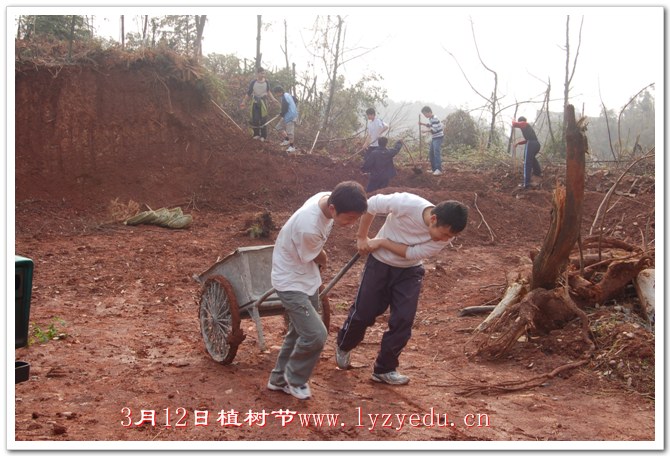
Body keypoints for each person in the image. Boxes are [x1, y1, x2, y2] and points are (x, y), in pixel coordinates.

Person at [335, 193, 468, 385]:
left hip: (409, 270)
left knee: (403, 320)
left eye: (451, 236)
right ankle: (344, 346)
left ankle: (385, 369)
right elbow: (371, 204)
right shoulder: (408, 204)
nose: (446, 239)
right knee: (364, 313)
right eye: (445, 234)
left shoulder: (446, 237)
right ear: (433, 219)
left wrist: (381, 242)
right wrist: (362, 237)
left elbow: (412, 253)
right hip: (379, 264)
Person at [267, 181, 368, 400]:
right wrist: (325, 258)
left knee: (298, 331)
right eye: (349, 218)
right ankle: (295, 379)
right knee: (316, 335)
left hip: (306, 276)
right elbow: (317, 256)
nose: (352, 224)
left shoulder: (326, 197)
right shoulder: (308, 227)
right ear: (333, 209)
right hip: (290, 281)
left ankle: (277, 380)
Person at [240, 68, 277, 141]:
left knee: (263, 119)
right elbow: (249, 93)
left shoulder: (266, 82)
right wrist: (243, 102)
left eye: (264, 73)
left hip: (263, 102)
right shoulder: (253, 82)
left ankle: (263, 136)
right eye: (261, 73)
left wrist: (273, 99)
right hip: (255, 102)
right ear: (257, 74)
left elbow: (268, 91)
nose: (263, 75)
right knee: (255, 119)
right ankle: (256, 134)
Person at [511, 116, 542, 189]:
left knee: (527, 162)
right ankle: (538, 172)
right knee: (531, 159)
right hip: (536, 144)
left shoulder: (524, 123)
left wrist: (513, 119)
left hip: (532, 144)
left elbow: (514, 124)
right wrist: (518, 143)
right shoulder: (526, 129)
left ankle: (526, 183)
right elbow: (527, 140)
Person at [419, 106, 445, 176]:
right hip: (434, 138)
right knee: (431, 154)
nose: (425, 115)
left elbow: (434, 129)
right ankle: (434, 169)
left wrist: (425, 131)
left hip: (438, 137)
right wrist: (422, 124)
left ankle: (438, 169)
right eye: (424, 114)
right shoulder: (431, 118)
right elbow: (430, 125)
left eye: (425, 114)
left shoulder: (434, 118)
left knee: (436, 153)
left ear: (429, 112)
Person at [272, 86, 298, 153]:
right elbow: (295, 100)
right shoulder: (286, 94)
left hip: (291, 116)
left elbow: (285, 108)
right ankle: (287, 140)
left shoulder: (284, 97)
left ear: (280, 92)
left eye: (276, 93)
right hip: (286, 115)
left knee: (290, 132)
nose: (276, 95)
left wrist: (281, 114)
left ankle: (292, 147)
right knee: (278, 127)